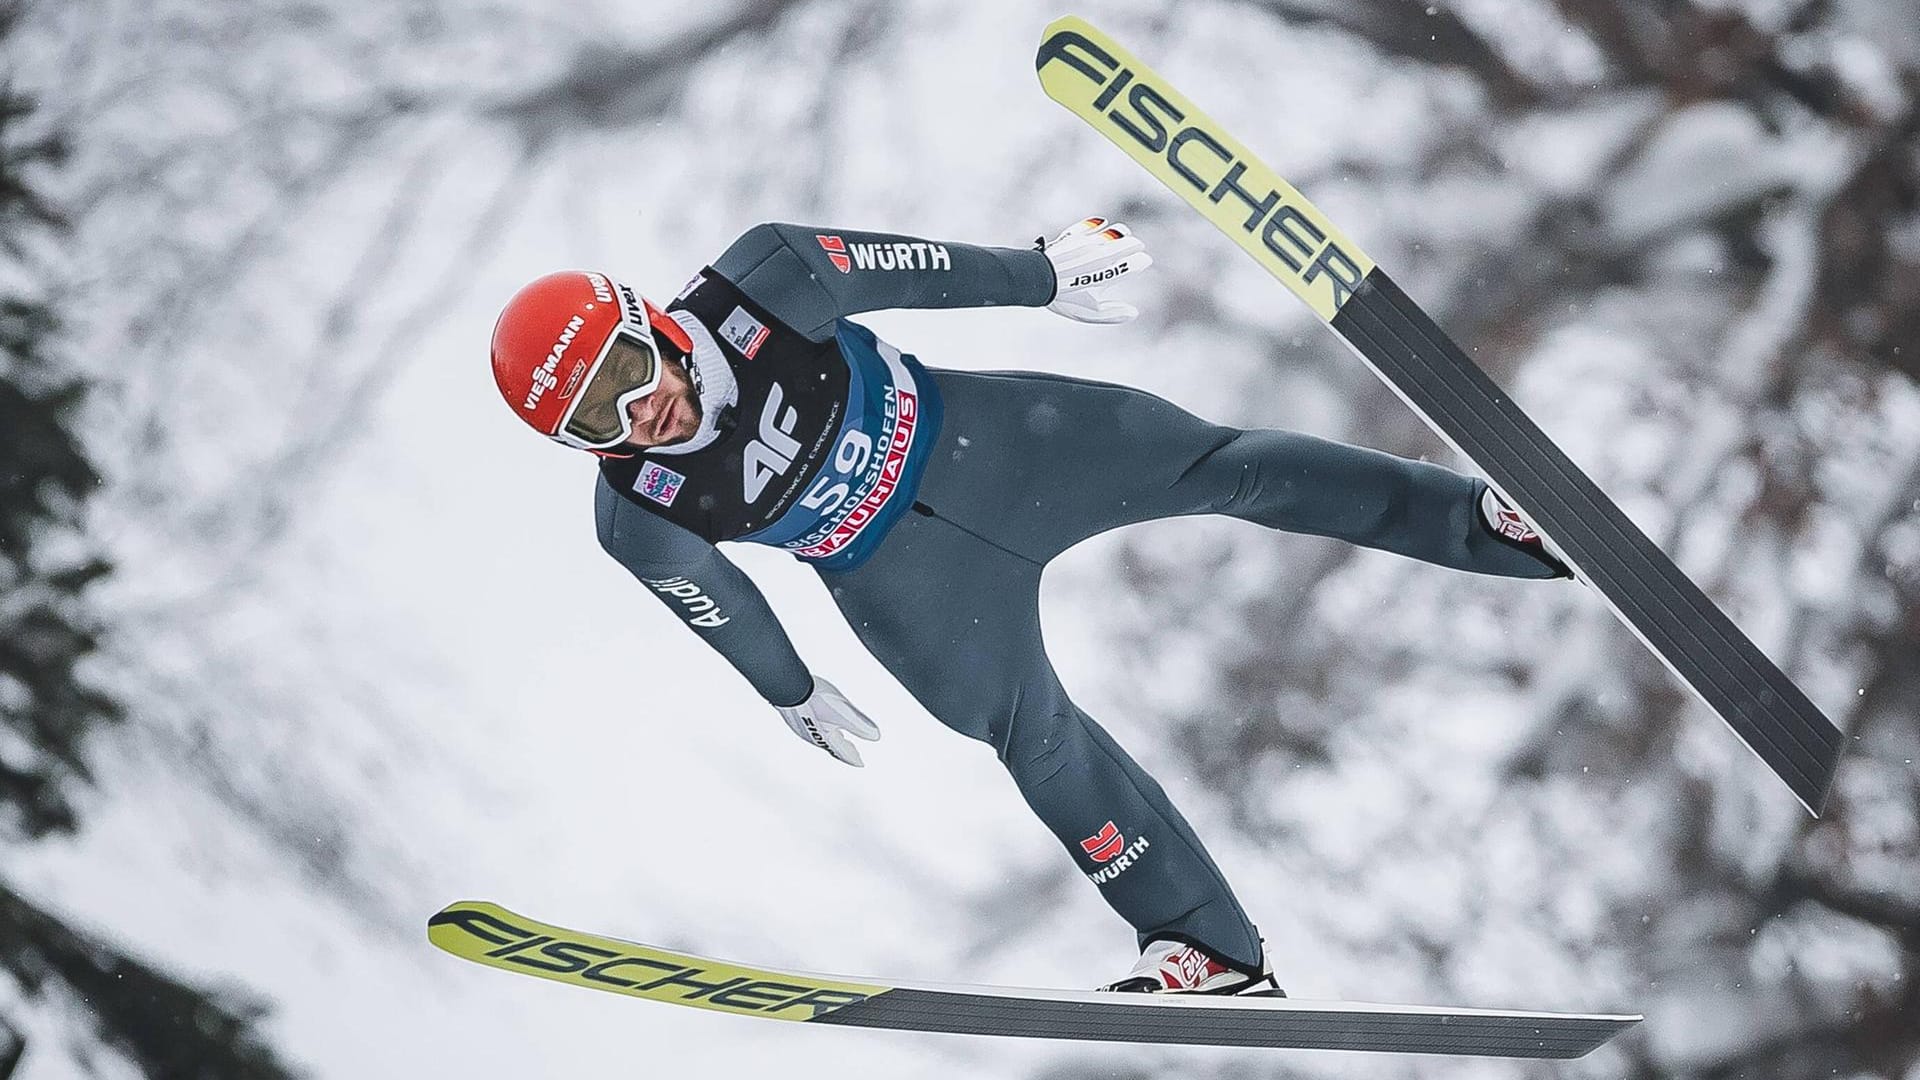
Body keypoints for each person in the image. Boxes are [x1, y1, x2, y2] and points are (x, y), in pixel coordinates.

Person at [488, 218, 1569, 995]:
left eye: (629, 370)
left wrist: (1040, 274)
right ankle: (1212, 950)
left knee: (1222, 467)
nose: (643, 409)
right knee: (1030, 736)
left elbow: (907, 271)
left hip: (999, 446)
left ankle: (1491, 526)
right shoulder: (637, 509)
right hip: (904, 585)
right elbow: (712, 600)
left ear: (647, 322)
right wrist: (792, 686)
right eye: (597, 417)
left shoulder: (762, 281)